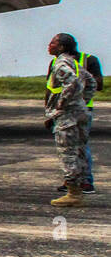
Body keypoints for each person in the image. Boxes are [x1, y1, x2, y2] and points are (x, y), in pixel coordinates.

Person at [46, 33, 95, 208]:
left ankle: (73, 192)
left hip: (68, 116)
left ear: (61, 47)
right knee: (80, 151)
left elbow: (71, 82)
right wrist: (82, 101)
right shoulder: (74, 62)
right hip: (81, 112)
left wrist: (61, 105)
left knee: (68, 152)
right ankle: (79, 189)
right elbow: (91, 82)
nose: (49, 45)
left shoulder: (60, 63)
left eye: (53, 42)